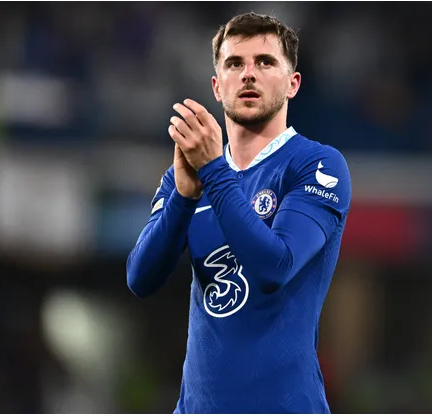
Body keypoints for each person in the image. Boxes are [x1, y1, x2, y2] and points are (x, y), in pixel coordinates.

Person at [126, 12, 351, 414]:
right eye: (234, 63)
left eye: (265, 62)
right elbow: (140, 278)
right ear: (217, 86)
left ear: (293, 83)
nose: (249, 74)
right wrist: (183, 197)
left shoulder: (316, 164)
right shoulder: (187, 174)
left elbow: (275, 267)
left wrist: (214, 171)